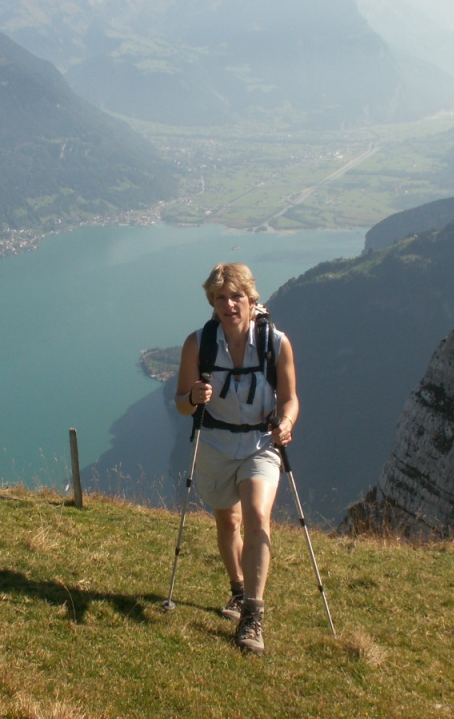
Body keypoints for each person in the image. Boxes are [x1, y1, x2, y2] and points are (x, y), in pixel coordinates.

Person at [174, 262, 299, 655]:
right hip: (215, 443)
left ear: (251, 298)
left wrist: (288, 423)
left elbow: (290, 398)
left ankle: (252, 615)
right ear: (212, 303)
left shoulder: (276, 342)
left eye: (236, 297)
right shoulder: (199, 343)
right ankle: (238, 589)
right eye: (220, 298)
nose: (229, 304)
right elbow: (180, 403)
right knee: (227, 521)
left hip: (260, 442)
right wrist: (193, 397)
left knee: (257, 517)